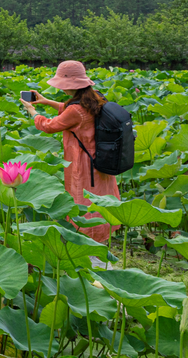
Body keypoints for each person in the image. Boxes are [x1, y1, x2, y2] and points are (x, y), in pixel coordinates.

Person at [19, 59, 121, 245]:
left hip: (83, 164)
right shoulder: (95, 97)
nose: (62, 88)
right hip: (101, 159)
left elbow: (49, 126)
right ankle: (100, 240)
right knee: (100, 201)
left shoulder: (76, 109)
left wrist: (33, 111)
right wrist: (46, 101)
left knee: (83, 202)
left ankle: (86, 243)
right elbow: (68, 110)